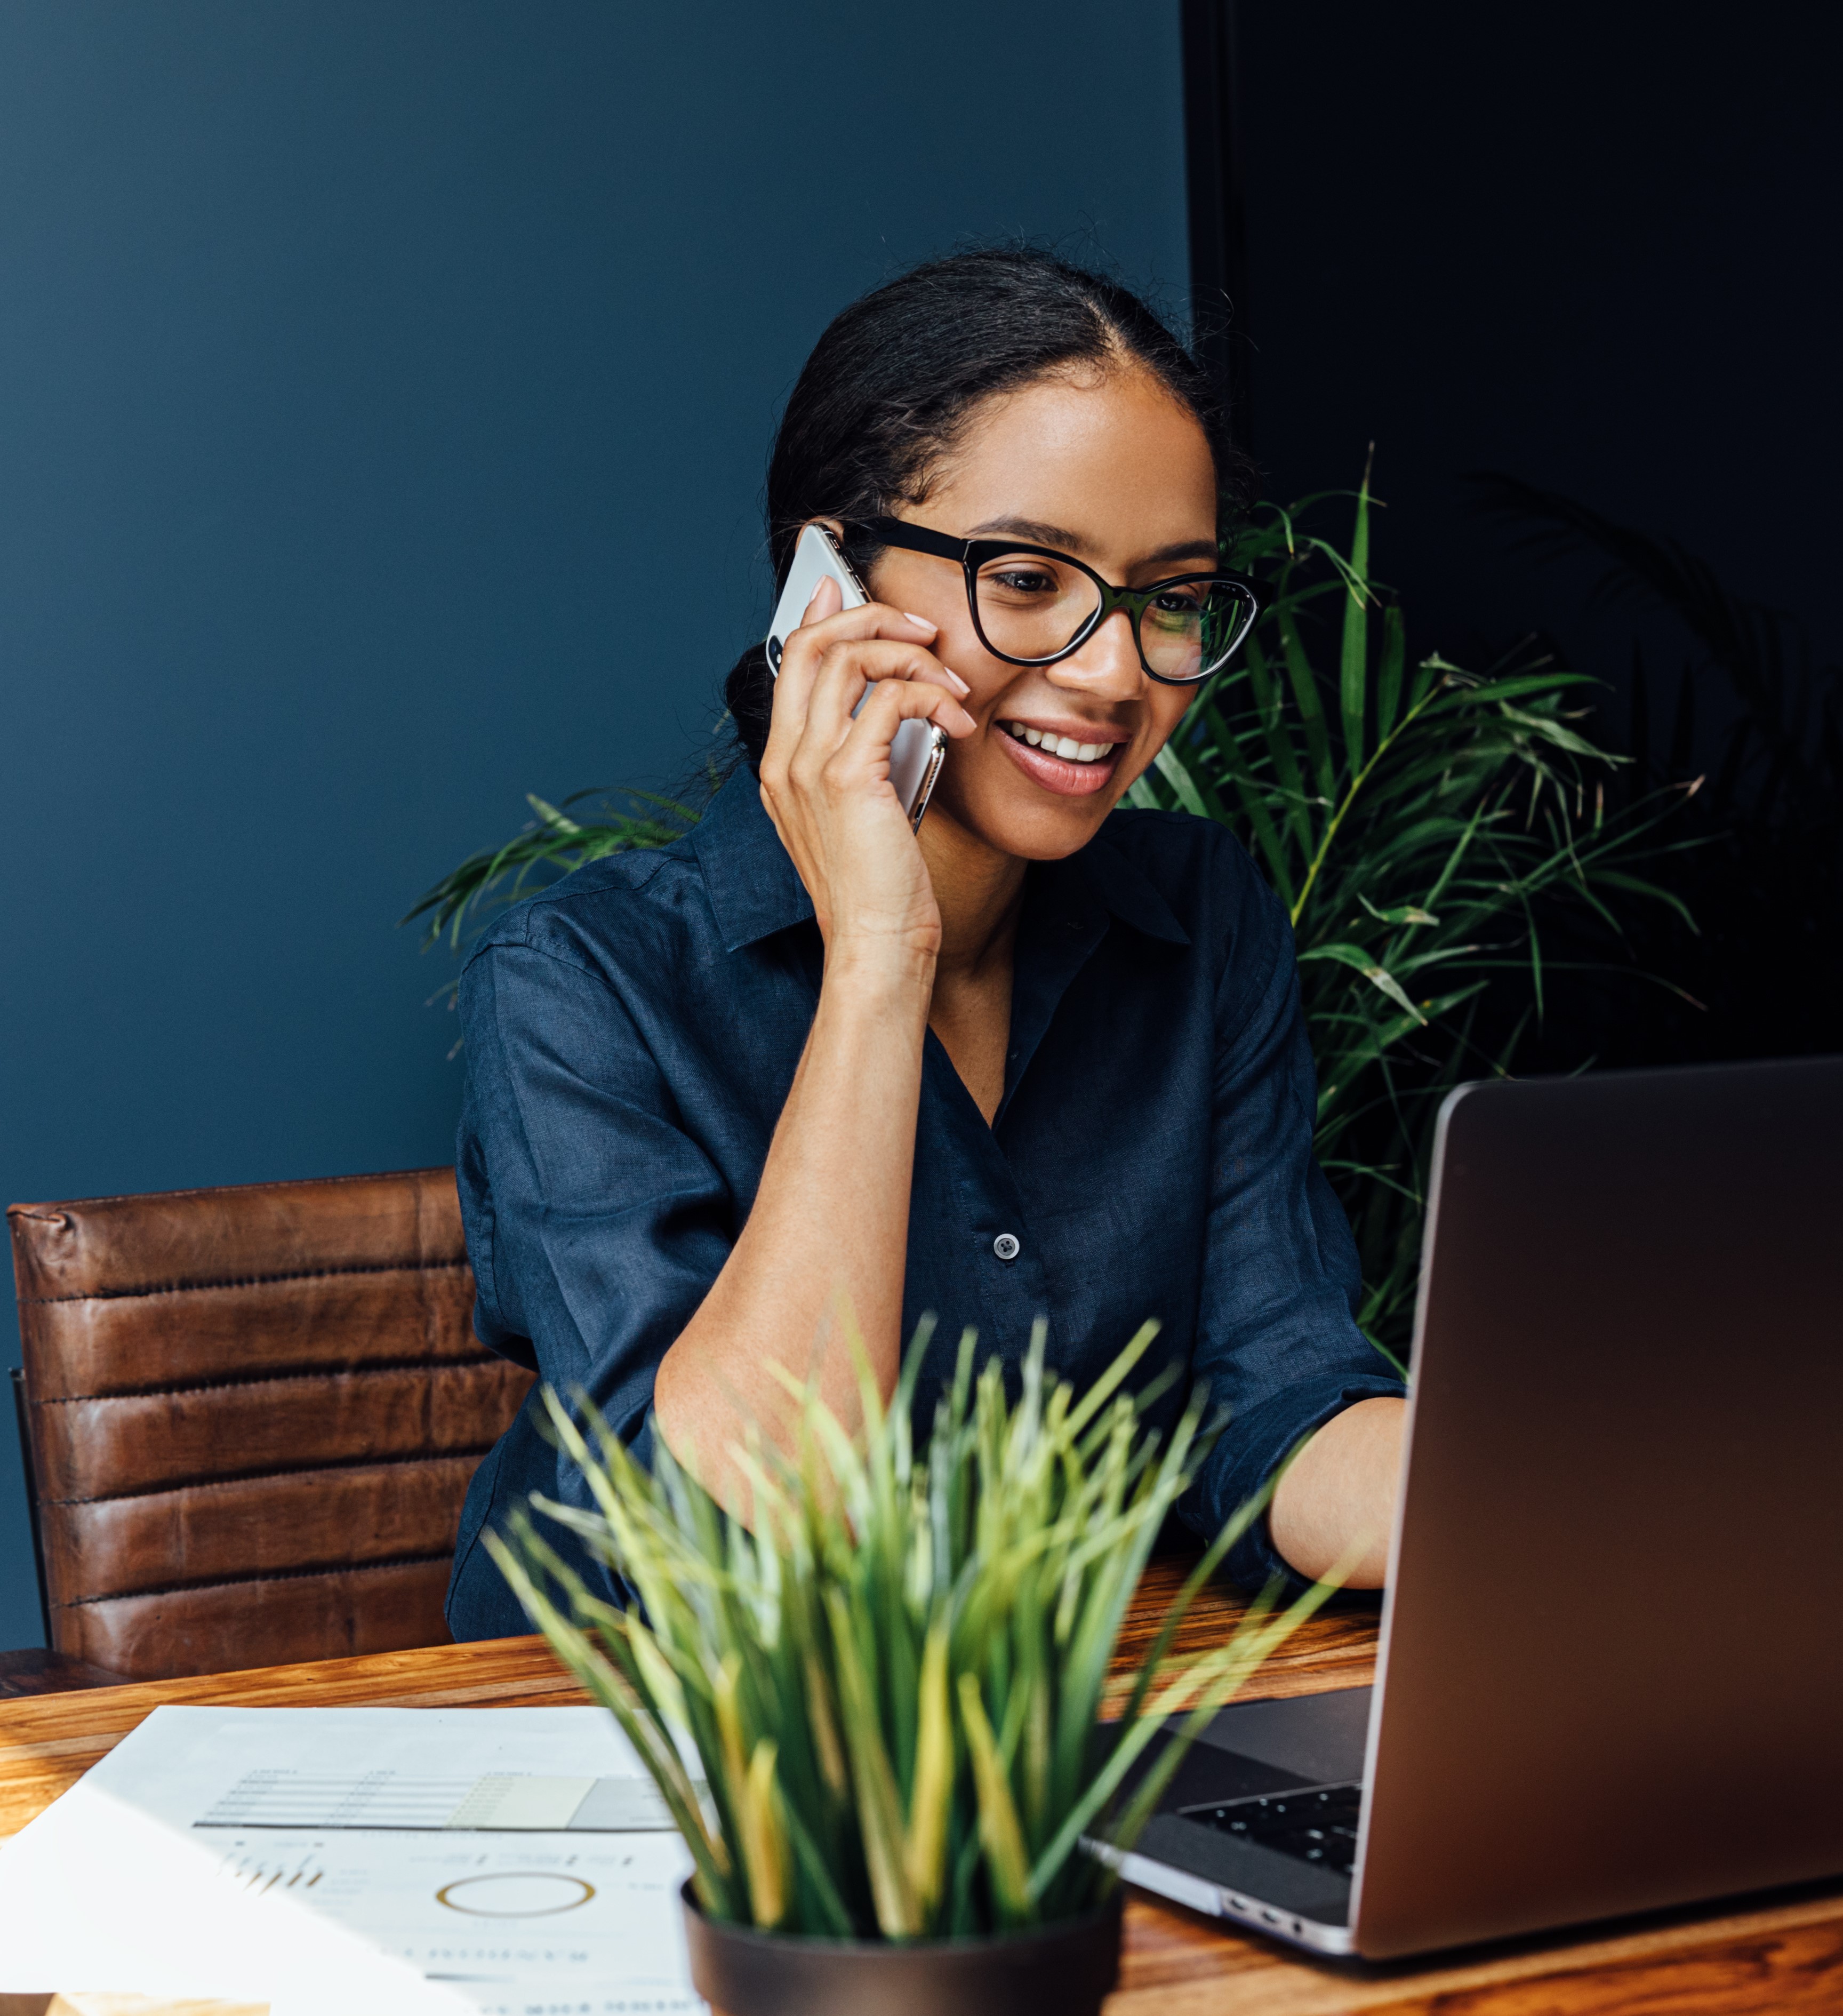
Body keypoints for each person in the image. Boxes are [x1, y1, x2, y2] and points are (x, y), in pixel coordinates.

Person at [445, 249, 1406, 1641]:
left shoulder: (1201, 920)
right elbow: (737, 1533)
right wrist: (878, 959)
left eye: (1174, 595)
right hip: (638, 1756)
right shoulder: (582, 980)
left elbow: (1276, 1401)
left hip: (1041, 1739)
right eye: (1027, 579)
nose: (1115, 671)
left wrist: (1564, 1490)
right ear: (823, 582)